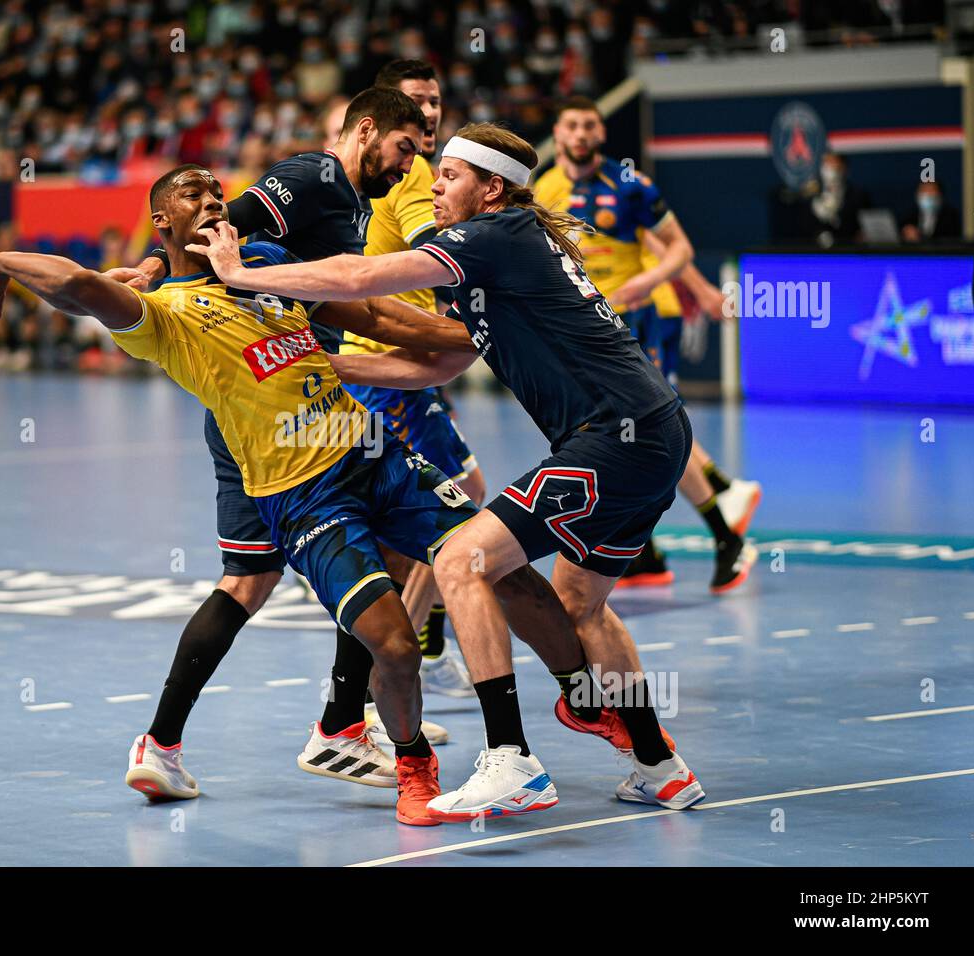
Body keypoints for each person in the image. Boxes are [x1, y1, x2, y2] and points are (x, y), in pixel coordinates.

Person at [0, 163, 584, 825]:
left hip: (377, 458)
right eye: (194, 195)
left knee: (502, 567)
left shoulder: (264, 262)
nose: (215, 202)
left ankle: (586, 698)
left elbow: (367, 310)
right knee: (390, 646)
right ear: (162, 221)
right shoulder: (161, 315)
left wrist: (484, 333)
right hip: (304, 501)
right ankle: (410, 762)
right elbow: (79, 285)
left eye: (219, 194)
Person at [188, 122, 706, 818]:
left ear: (491, 188)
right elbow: (440, 363)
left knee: (462, 559)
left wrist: (242, 273)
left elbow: (361, 275)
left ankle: (511, 759)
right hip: (656, 433)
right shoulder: (512, 247)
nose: (434, 183)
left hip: (613, 440)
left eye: (451, 175)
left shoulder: (492, 236)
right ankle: (659, 765)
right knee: (580, 604)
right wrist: (321, 365)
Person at [122, 87, 455, 791]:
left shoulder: (355, 200)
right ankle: (336, 723)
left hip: (283, 396)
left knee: (255, 579)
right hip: (277, 407)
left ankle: (175, 742)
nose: (409, 164)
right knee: (323, 557)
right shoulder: (316, 177)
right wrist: (153, 269)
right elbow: (212, 231)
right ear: (366, 130)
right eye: (404, 145)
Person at [536, 96, 755, 592]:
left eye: (590, 125)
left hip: (633, 322)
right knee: (608, 437)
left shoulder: (630, 184)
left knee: (651, 432)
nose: (580, 134)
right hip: (579, 329)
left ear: (601, 133)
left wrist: (655, 283)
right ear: (558, 131)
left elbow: (675, 246)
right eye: (571, 125)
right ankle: (650, 552)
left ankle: (723, 535)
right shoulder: (546, 188)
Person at [345, 59, 489, 698]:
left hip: (407, 362)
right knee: (445, 509)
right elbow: (439, 252)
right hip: (389, 366)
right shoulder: (417, 175)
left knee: (458, 494)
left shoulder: (395, 169)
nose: (428, 114)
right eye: (415, 104)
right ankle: (401, 669)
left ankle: (405, 661)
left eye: (434, 101)